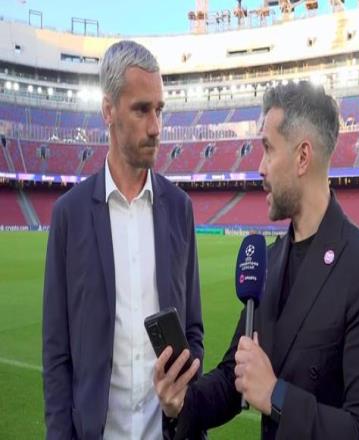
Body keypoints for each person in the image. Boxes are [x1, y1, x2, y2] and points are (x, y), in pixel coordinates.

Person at [154, 81, 359, 439]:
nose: (260, 167)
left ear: (302, 157)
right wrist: (181, 402)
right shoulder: (267, 261)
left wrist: (276, 395)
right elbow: (235, 376)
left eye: (268, 149)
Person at [42, 40, 204, 439]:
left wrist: (182, 397)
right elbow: (57, 353)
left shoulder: (179, 209)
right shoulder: (69, 215)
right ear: (108, 110)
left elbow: (193, 330)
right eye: (141, 110)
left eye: (159, 110)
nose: (156, 127)